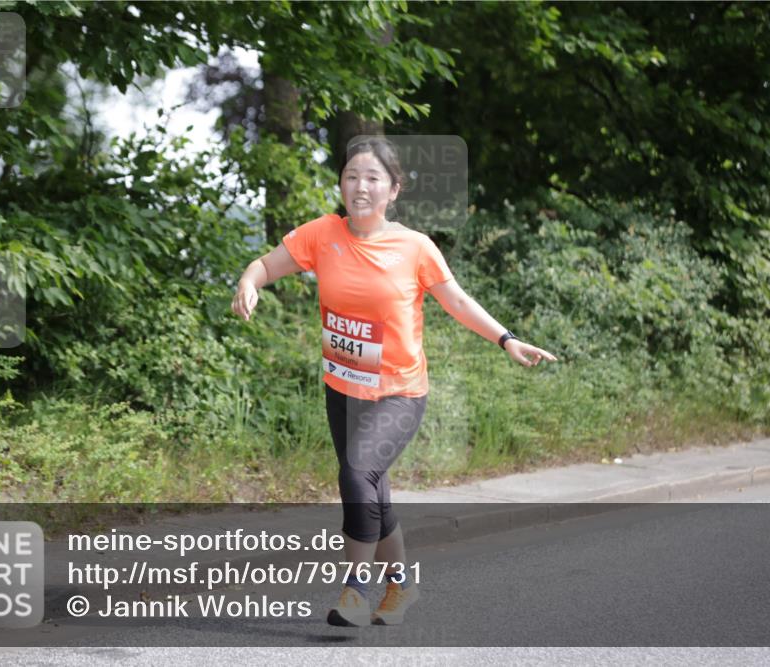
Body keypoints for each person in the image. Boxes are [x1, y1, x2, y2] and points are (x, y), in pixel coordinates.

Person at [231, 136, 558, 627]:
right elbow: (265, 265)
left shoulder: (414, 247)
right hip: (343, 389)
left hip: (399, 394)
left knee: (357, 473)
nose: (360, 187)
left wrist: (506, 339)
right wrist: (248, 282)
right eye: (351, 177)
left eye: (372, 178)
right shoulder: (322, 234)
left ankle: (356, 590)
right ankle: (401, 587)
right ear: (341, 184)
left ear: (394, 189)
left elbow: (457, 301)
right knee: (373, 492)